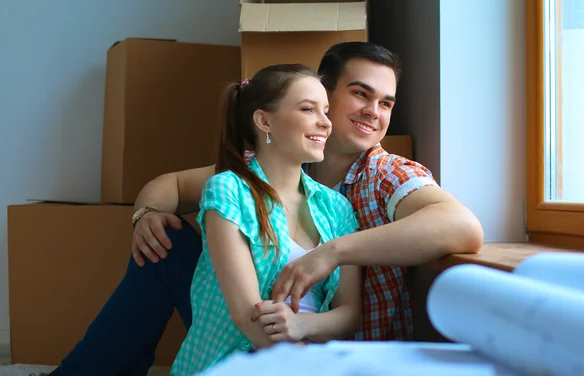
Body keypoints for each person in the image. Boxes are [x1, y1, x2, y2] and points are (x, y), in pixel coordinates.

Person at [49, 41, 483, 376]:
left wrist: (333, 252)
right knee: (166, 241)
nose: (373, 111)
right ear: (323, 92)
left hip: (328, 337)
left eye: (386, 103)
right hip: (250, 318)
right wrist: (146, 216)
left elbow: (461, 227)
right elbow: (170, 185)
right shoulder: (252, 174)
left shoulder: (384, 174)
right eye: (360, 94)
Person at [170, 64, 361, 375]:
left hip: (313, 361)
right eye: (308, 109)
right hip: (239, 362)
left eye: (325, 111)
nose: (325, 123)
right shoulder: (228, 190)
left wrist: (301, 324)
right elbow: (246, 315)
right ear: (264, 121)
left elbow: (350, 315)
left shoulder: (336, 208)